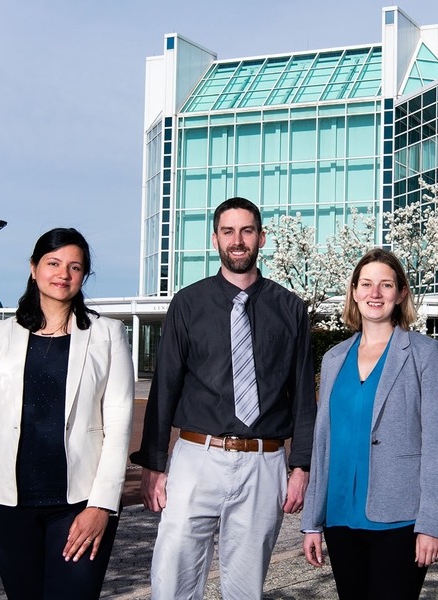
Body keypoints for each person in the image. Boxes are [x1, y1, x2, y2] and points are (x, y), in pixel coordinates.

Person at [130, 197, 316, 599]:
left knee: (245, 589)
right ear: (214, 238)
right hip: (197, 457)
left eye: (246, 231)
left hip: (264, 464)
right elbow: (165, 387)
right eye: (228, 232)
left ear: (261, 238)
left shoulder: (290, 309)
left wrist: (301, 466)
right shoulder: (188, 303)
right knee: (173, 576)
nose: (238, 240)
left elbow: (303, 394)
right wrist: (153, 464)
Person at [0, 228, 135, 600]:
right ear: (34, 268)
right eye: (53, 263)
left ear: (83, 276)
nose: (63, 274)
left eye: (75, 267)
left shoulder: (108, 335)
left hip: (80, 505)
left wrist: (102, 505)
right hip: (8, 506)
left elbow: (118, 428)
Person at [301, 248, 438, 600]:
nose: (375, 293)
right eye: (366, 284)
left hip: (399, 519)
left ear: (400, 294)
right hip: (339, 516)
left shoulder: (423, 353)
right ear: (354, 291)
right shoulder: (334, 357)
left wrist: (432, 524)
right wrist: (312, 521)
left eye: (386, 285)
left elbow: (437, 446)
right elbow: (323, 445)